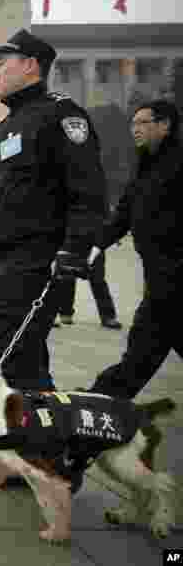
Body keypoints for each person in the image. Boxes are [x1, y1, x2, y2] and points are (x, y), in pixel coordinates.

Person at [0, 30, 107, 392]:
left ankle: (34, 426)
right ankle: (48, 422)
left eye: (2, 62)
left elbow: (87, 188)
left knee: (9, 364)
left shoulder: (60, 115)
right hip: (0, 267)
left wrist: (74, 249)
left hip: (36, 263)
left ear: (30, 65)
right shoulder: (3, 129)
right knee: (23, 362)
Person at [88, 100, 183, 399]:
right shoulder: (146, 165)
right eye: (133, 124)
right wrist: (95, 245)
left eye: (143, 122)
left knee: (143, 347)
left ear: (165, 125)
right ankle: (103, 400)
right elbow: (124, 214)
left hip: (174, 275)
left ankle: (102, 401)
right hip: (160, 276)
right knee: (145, 348)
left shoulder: (178, 163)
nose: (135, 129)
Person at [51, 245, 121, 329]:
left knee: (98, 280)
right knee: (66, 279)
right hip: (69, 244)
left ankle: (108, 317)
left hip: (94, 244)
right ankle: (65, 313)